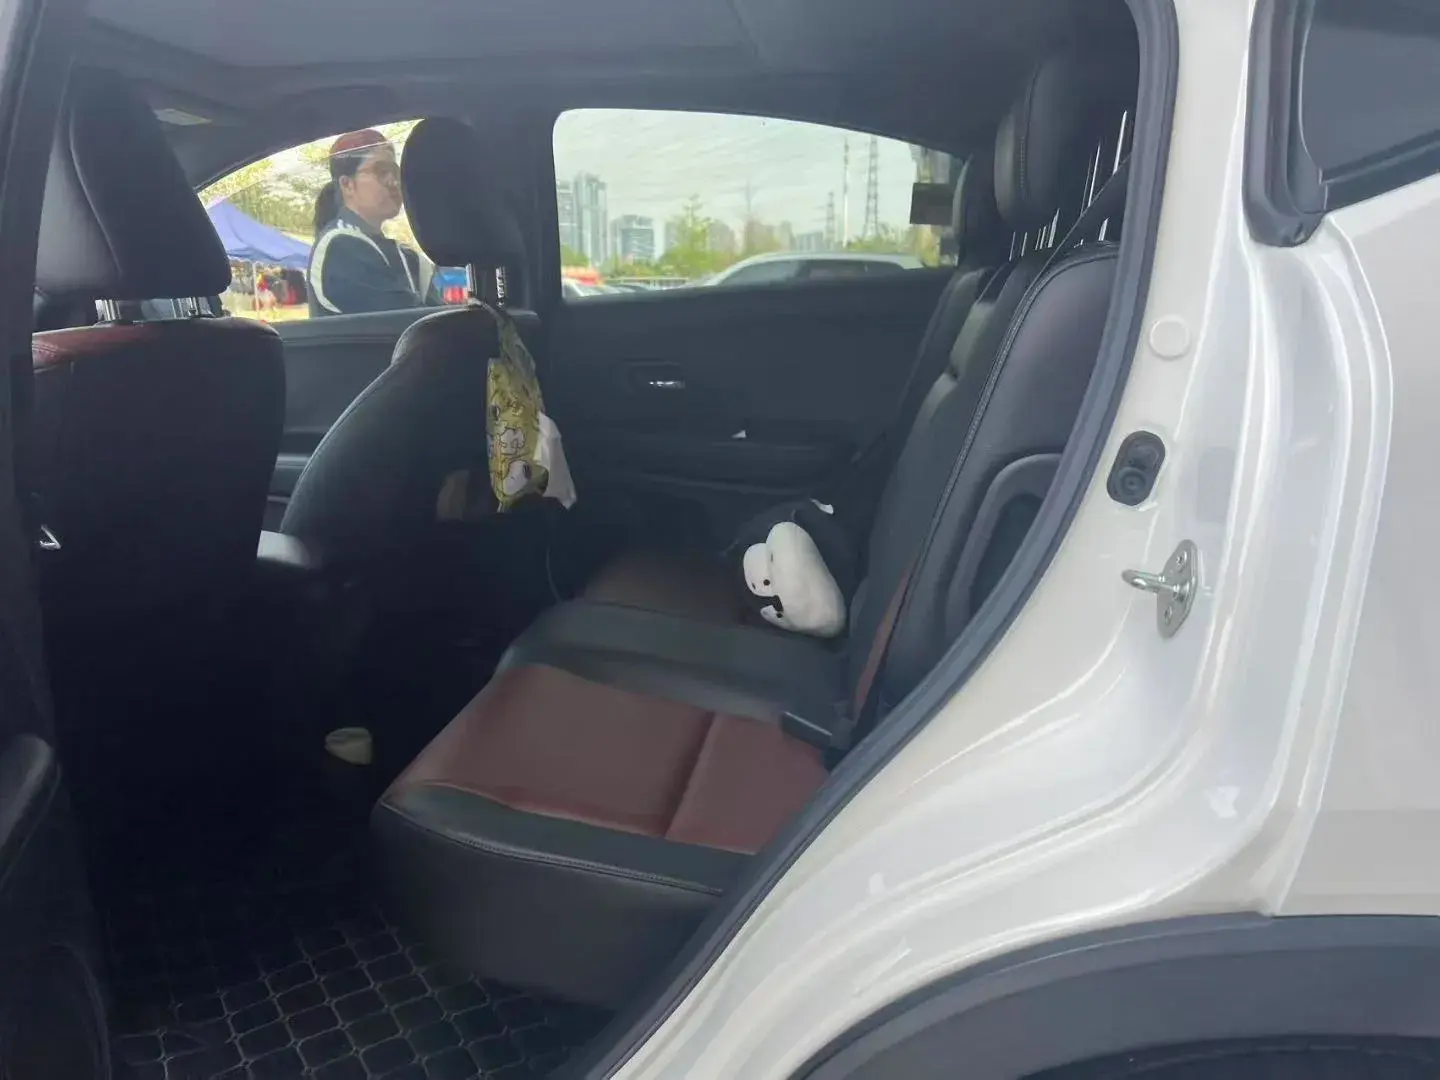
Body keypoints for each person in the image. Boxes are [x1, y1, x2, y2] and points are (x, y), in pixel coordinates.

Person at [307, 130, 439, 317]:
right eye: (381, 171)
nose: (393, 181)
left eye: (395, 172)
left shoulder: (409, 258)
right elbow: (404, 321)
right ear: (347, 185)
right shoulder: (340, 247)